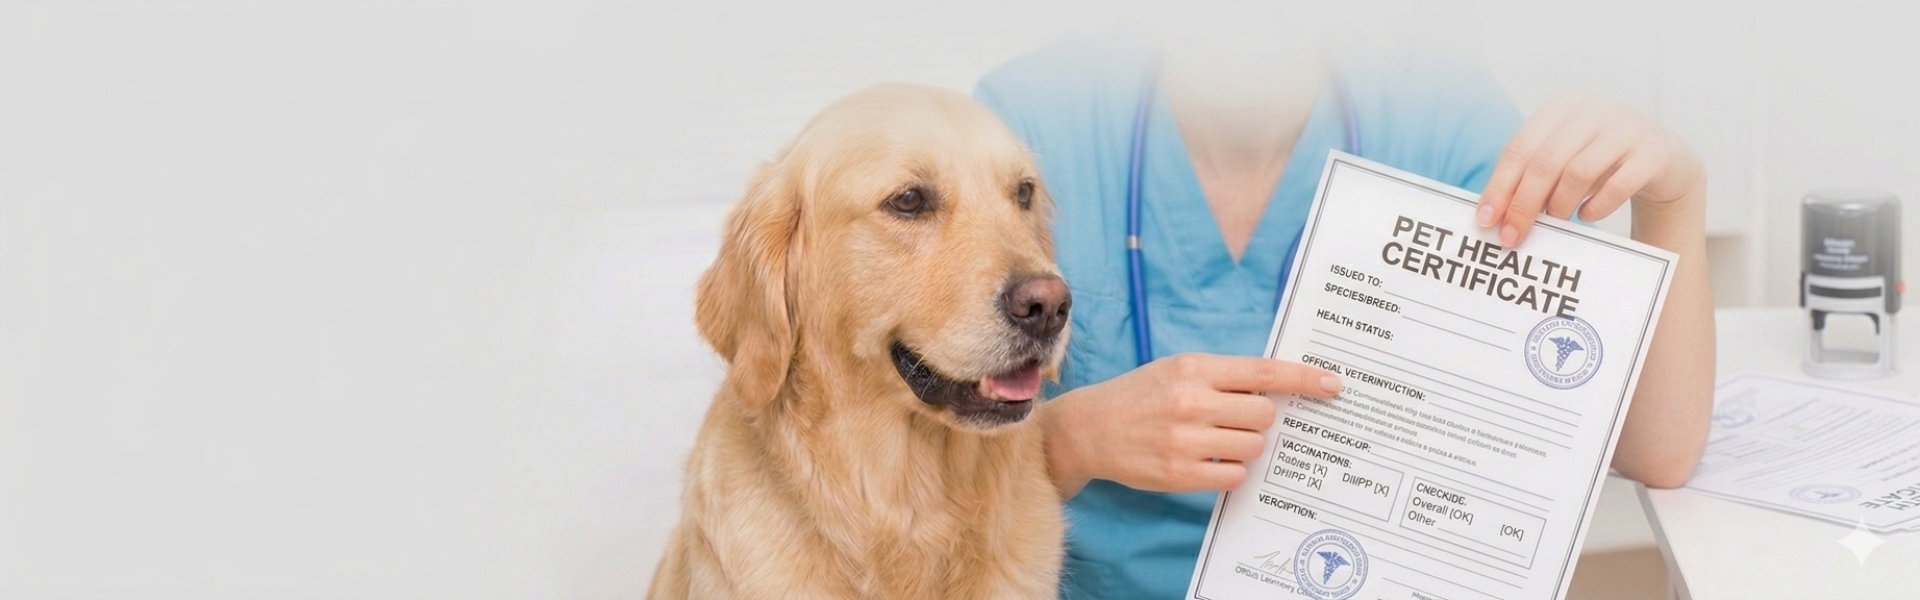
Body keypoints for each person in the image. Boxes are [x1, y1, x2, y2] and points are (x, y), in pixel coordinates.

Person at [973, 33, 1714, 600]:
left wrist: (1672, 198)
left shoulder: (1438, 113)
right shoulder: (1030, 119)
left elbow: (1657, 453)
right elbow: (893, 454)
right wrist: (1064, 443)